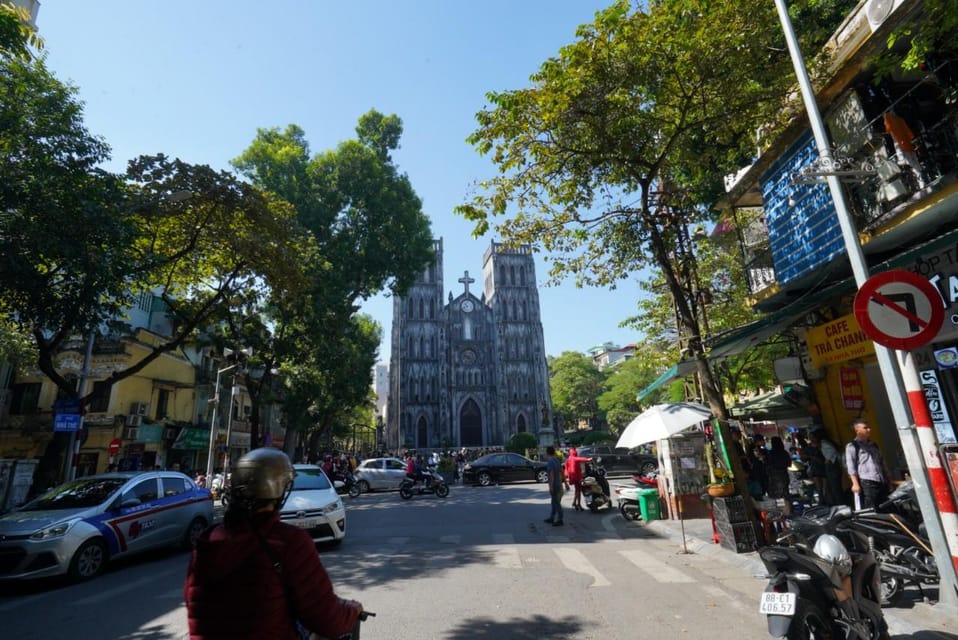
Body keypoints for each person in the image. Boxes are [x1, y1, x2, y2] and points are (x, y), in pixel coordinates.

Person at [185, 448, 362, 639]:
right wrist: (352, 611)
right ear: (278, 490)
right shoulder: (288, 543)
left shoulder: (206, 542)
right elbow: (326, 618)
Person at [845, 419, 892, 509]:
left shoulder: (874, 445)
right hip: (867, 482)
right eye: (865, 428)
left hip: (881, 481)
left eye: (869, 427)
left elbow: (882, 462)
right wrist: (855, 484)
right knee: (871, 507)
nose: (869, 430)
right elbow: (851, 467)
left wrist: (888, 479)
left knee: (885, 506)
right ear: (857, 430)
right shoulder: (852, 446)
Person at [765, 436, 792, 514]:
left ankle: (782, 513)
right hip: (784, 476)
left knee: (778, 497)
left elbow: (767, 464)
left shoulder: (770, 453)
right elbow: (789, 464)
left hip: (774, 478)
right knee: (785, 494)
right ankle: (788, 512)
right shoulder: (784, 453)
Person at [544, 446, 565, 526]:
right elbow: (562, 471)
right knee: (554, 502)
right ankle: (552, 517)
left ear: (547, 453)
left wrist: (551, 486)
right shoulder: (557, 460)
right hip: (558, 483)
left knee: (556, 502)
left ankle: (560, 519)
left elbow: (551, 474)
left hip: (554, 484)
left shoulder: (550, 462)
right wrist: (565, 482)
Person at [564, 447, 590, 511]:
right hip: (577, 477)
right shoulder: (574, 458)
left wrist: (568, 477)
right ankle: (578, 504)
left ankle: (574, 503)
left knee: (577, 490)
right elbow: (581, 459)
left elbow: (566, 468)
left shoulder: (568, 459)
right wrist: (588, 459)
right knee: (578, 490)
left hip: (572, 477)